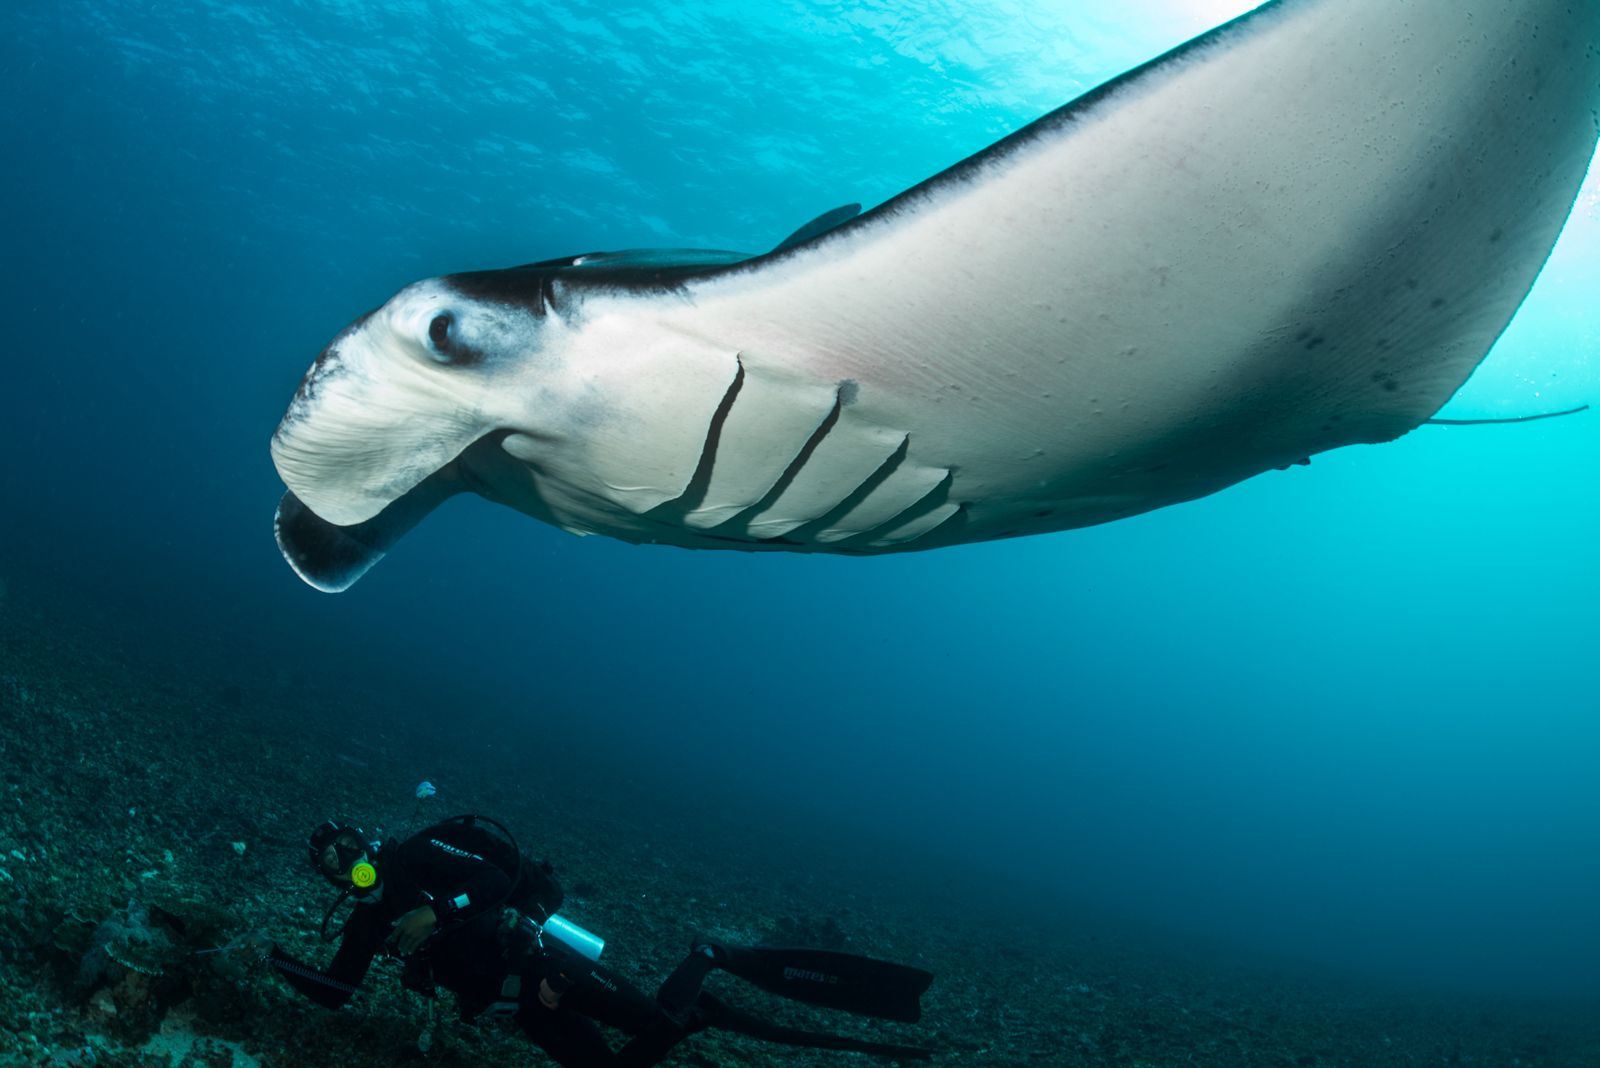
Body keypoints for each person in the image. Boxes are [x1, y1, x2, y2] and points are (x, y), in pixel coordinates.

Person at [262, 816, 934, 1066]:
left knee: (659, 1021)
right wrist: (272, 958)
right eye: (332, 867)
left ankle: (708, 958)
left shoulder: (415, 855)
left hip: (550, 965)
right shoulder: (365, 922)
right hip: (521, 1004)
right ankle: (700, 1011)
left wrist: (437, 910)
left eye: (348, 850)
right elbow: (336, 992)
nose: (346, 866)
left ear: (364, 841)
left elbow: (495, 876)